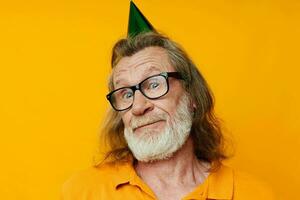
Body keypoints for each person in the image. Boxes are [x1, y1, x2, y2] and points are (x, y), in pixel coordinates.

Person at [61, 32, 274, 200]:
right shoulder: (82, 192)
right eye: (126, 93)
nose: (138, 107)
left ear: (192, 95)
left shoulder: (255, 194)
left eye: (154, 84)